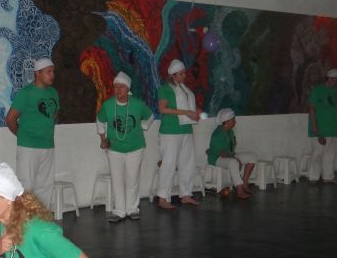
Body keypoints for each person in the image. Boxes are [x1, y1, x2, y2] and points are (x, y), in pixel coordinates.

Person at [96, 72, 154, 222]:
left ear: (128, 88)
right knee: (117, 179)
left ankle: (132, 209)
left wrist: (143, 126)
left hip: (135, 148)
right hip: (114, 148)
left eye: (121, 87)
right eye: (116, 87)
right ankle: (119, 211)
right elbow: (100, 121)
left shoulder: (138, 104)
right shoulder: (108, 105)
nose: (118, 90)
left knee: (132, 179)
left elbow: (150, 116)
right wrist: (103, 139)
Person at [5, 58, 59, 208]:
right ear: (38, 73)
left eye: (53, 72)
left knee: (45, 186)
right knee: (25, 187)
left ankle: (41, 219)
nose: (52, 75)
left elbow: (54, 114)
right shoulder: (26, 93)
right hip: (28, 147)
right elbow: (10, 119)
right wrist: (22, 135)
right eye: (49, 72)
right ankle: (24, 220)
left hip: (48, 146)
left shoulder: (53, 93)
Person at [157, 59, 202, 209]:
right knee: (169, 165)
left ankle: (186, 195)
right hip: (170, 132)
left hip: (186, 130)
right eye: (181, 74)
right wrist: (186, 112)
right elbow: (162, 109)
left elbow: (189, 107)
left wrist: (196, 111)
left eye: (184, 73)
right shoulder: (165, 89)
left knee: (187, 164)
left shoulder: (185, 89)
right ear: (173, 75)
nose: (184, 76)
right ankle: (163, 198)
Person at [207, 108, 255, 199]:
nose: (235, 122)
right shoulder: (218, 134)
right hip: (217, 158)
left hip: (229, 155)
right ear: (227, 121)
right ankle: (239, 190)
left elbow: (231, 147)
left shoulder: (229, 130)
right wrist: (236, 159)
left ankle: (244, 182)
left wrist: (234, 156)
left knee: (252, 157)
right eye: (233, 119)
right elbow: (221, 153)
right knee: (233, 162)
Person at [307, 68, 337, 184]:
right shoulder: (318, 90)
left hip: (332, 128)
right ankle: (313, 177)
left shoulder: (334, 91)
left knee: (330, 154)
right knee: (317, 154)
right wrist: (315, 128)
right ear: (330, 79)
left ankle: (328, 176)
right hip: (320, 128)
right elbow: (311, 109)